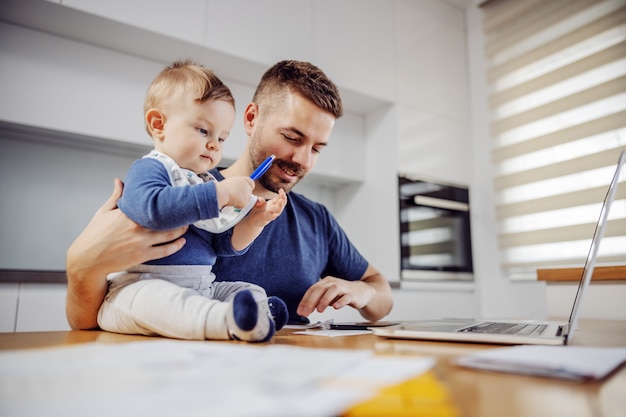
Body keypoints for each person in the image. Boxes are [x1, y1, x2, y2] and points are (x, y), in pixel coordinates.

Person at [66, 60, 393, 329]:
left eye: (317, 148)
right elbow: (88, 322)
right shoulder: (180, 190)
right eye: (292, 138)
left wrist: (360, 291)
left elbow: (381, 298)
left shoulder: (316, 219)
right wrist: (81, 265)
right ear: (252, 119)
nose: (304, 160)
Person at [94, 59, 288, 342]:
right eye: (203, 131)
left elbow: (222, 244)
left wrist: (254, 223)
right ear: (158, 124)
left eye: (222, 138)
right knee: (159, 301)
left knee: (246, 291)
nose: (214, 145)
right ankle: (229, 322)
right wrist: (220, 194)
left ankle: (257, 313)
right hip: (141, 286)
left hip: (201, 287)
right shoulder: (152, 168)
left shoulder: (204, 182)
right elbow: (153, 209)